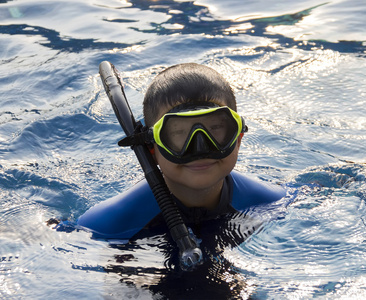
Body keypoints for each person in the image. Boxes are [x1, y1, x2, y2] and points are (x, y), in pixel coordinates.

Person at [77, 63, 285, 240]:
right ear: (152, 149)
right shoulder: (108, 223)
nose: (200, 148)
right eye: (178, 133)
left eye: (215, 129)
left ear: (237, 139)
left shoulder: (270, 201)